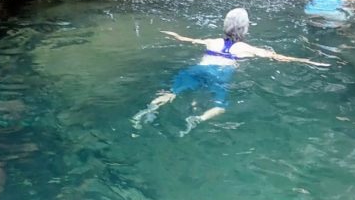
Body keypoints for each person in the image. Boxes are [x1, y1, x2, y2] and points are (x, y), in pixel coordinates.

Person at [131, 8, 329, 135]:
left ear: (225, 26)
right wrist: (308, 61)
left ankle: (149, 110)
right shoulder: (246, 49)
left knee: (172, 92)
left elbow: (186, 40)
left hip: (198, 69)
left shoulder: (212, 41)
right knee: (221, 106)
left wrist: (172, 34)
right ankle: (197, 119)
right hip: (219, 75)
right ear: (245, 29)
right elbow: (278, 57)